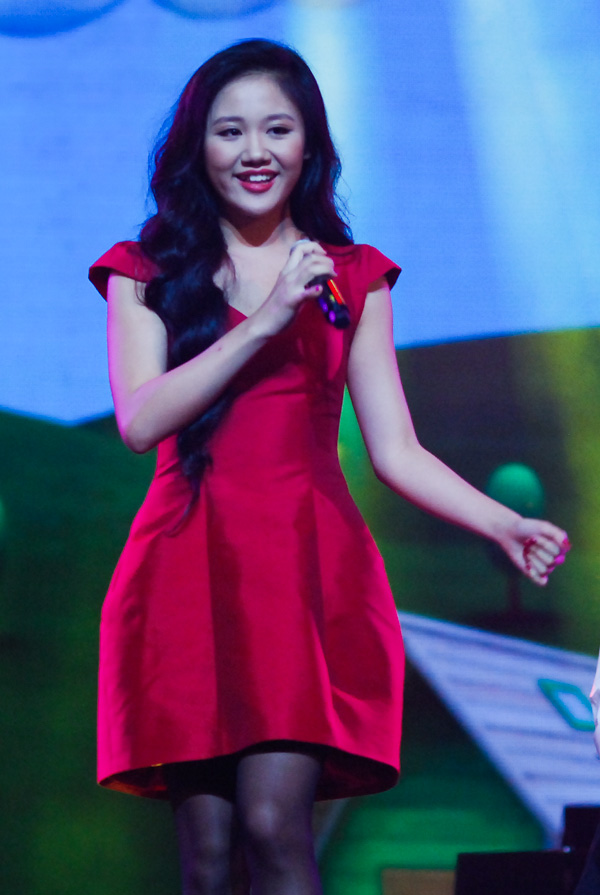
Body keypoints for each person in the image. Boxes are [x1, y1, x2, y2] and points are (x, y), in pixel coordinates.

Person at [88, 38, 569, 895]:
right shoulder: (148, 270)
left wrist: (502, 522)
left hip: (300, 573)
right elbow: (142, 418)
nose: (255, 151)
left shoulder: (353, 277)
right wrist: (266, 321)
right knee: (208, 857)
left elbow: (397, 449)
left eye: (277, 129)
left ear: (309, 142)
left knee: (275, 826)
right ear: (198, 146)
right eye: (230, 131)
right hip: (184, 569)